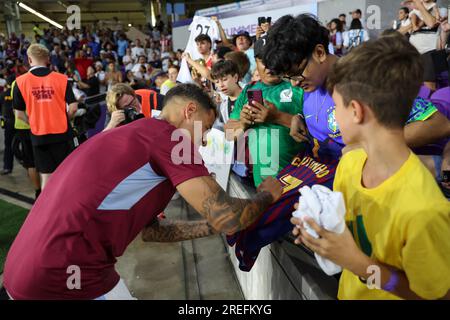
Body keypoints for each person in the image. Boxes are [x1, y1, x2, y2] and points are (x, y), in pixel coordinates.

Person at [2, 83, 282, 300]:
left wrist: (214, 225)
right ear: (189, 112)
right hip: (66, 270)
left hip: (21, 271)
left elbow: (152, 231)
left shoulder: (135, 133)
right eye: (206, 128)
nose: (206, 138)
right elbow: (229, 217)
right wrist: (268, 194)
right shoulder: (170, 139)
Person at [292, 36, 450, 300]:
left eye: (335, 106)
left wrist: (362, 267)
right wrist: (319, 228)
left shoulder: (425, 210)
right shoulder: (350, 164)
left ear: (356, 111)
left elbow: (432, 296)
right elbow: (348, 235)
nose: (332, 116)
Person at [224, 37, 305, 187]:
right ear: (256, 61)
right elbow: (228, 135)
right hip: (262, 184)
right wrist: (243, 123)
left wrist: (277, 117)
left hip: (297, 180)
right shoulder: (248, 90)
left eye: (273, 58)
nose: (269, 66)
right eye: (263, 60)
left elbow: (316, 134)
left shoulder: (299, 85)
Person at [13, 44, 78, 189]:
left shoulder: (20, 82)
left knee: (46, 175)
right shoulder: (62, 79)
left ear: (29, 60)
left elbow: (19, 114)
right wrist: (64, 119)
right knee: (66, 173)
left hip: (39, 135)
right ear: (48, 59)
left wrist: (35, 123)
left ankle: (49, 209)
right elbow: (73, 108)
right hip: (62, 133)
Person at [210, 60, 242, 129]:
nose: (221, 85)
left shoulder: (248, 97)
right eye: (217, 82)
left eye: (224, 79)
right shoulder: (223, 105)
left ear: (235, 77)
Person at [0, 75, 15, 175]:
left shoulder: (3, 94)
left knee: (8, 145)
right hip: (21, 123)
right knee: (25, 145)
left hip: (8, 122)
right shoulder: (19, 93)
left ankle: (7, 167)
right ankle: (29, 166)